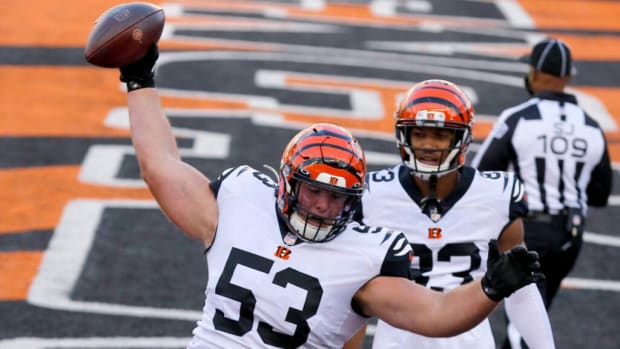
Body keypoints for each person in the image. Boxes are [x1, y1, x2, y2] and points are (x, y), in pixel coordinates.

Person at [112, 45, 543, 349]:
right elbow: (161, 166)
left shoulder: (363, 254)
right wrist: (139, 80)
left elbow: (434, 315)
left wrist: (490, 287)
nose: (322, 205)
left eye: (336, 197)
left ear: (354, 199)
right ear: (287, 183)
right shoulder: (243, 203)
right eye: (314, 190)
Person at [343, 79, 555, 349]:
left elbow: (520, 287)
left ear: (460, 139)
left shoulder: (496, 196)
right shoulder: (372, 196)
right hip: (398, 339)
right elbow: (352, 291)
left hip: (470, 340)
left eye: (440, 135)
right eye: (419, 134)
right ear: (404, 136)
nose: (428, 145)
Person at [472, 38, 612, 348]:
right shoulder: (590, 126)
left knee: (522, 321)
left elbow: (479, 173)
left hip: (526, 231)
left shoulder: (518, 118)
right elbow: (601, 193)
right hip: (568, 238)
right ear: (568, 77)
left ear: (533, 73)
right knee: (533, 318)